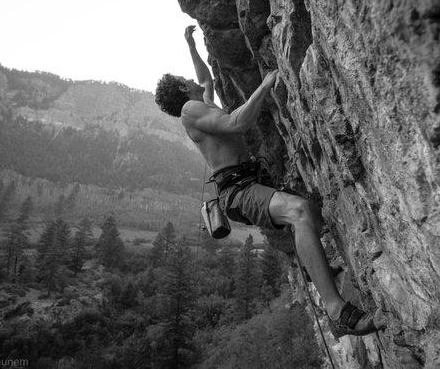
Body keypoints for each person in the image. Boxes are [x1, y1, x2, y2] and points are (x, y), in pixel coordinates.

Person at [154, 25, 385, 337]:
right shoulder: (190, 109)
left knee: (313, 215)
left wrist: (190, 44)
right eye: (184, 80)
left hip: (247, 183)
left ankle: (320, 272)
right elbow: (236, 124)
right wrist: (264, 86)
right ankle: (336, 311)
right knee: (299, 211)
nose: (191, 79)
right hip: (238, 190)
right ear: (182, 91)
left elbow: (206, 78)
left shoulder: (201, 101)